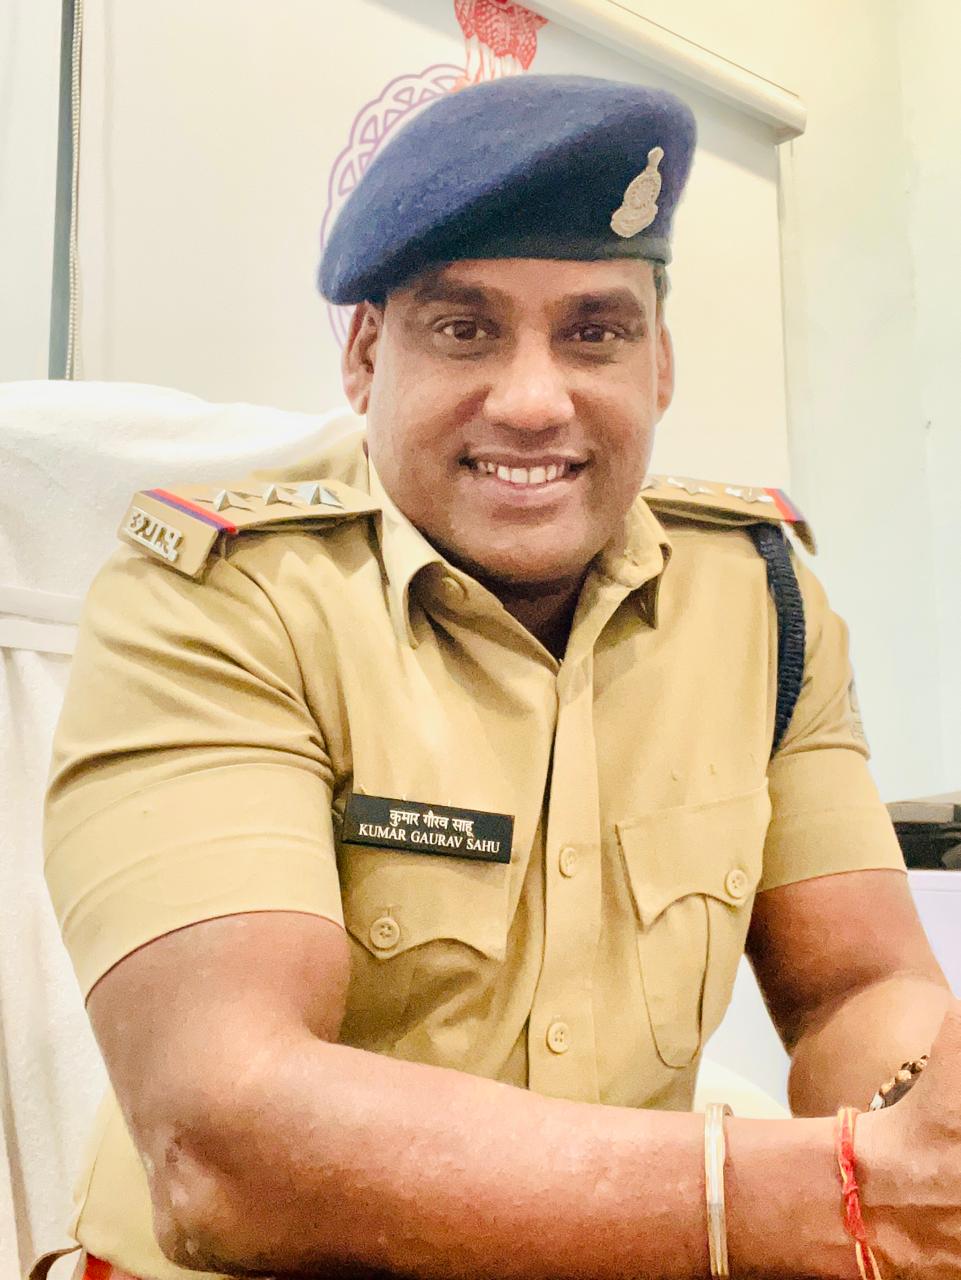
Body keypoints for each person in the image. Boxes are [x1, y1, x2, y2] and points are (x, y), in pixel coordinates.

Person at [41, 75, 960, 1280]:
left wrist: (922, 1118)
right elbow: (225, 1144)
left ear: (660, 362)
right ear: (366, 354)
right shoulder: (218, 600)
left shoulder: (763, 600)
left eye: (594, 331)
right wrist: (845, 1192)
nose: (533, 401)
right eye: (464, 329)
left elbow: (856, 986)